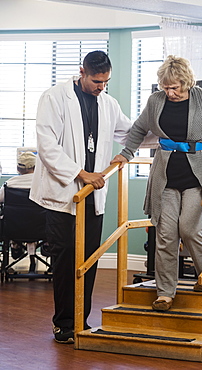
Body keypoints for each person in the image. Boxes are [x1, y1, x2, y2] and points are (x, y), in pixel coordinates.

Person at [111, 55, 202, 312]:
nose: (170, 92)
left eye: (175, 87)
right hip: (166, 178)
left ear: (186, 82)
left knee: (189, 229)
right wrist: (126, 154)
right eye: (166, 87)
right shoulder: (156, 101)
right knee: (164, 235)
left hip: (200, 177)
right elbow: (138, 130)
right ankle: (165, 293)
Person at [30, 50, 132, 343]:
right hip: (62, 195)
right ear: (82, 72)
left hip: (93, 197)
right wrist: (80, 173)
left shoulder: (109, 103)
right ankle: (63, 323)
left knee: (88, 260)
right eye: (97, 81)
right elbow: (47, 145)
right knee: (65, 262)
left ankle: (81, 321)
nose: (101, 87)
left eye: (106, 82)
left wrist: (170, 134)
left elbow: (130, 133)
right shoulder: (55, 97)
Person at [0, 151, 37, 259]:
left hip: (14, 229)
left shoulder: (9, 184)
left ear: (18, 168)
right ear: (36, 167)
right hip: (41, 229)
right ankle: (47, 247)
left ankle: (15, 246)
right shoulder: (43, 184)